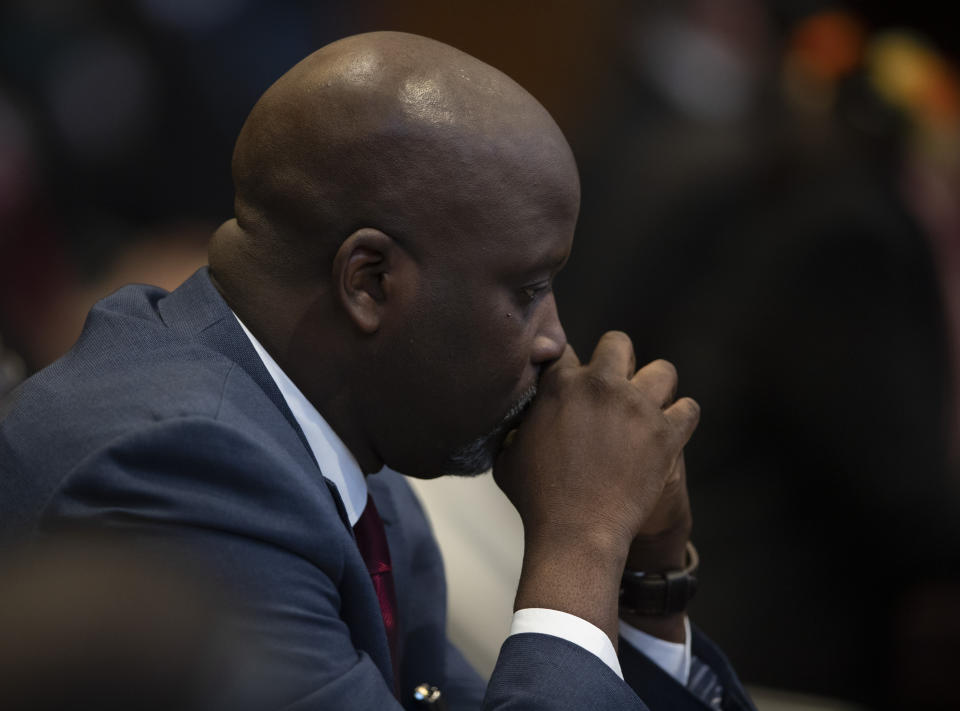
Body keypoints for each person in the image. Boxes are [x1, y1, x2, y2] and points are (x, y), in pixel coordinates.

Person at [0, 32, 754, 710]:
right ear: (369, 281)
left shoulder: (339, 443)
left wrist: (648, 577)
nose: (555, 340)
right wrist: (583, 541)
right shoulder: (182, 469)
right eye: (527, 291)